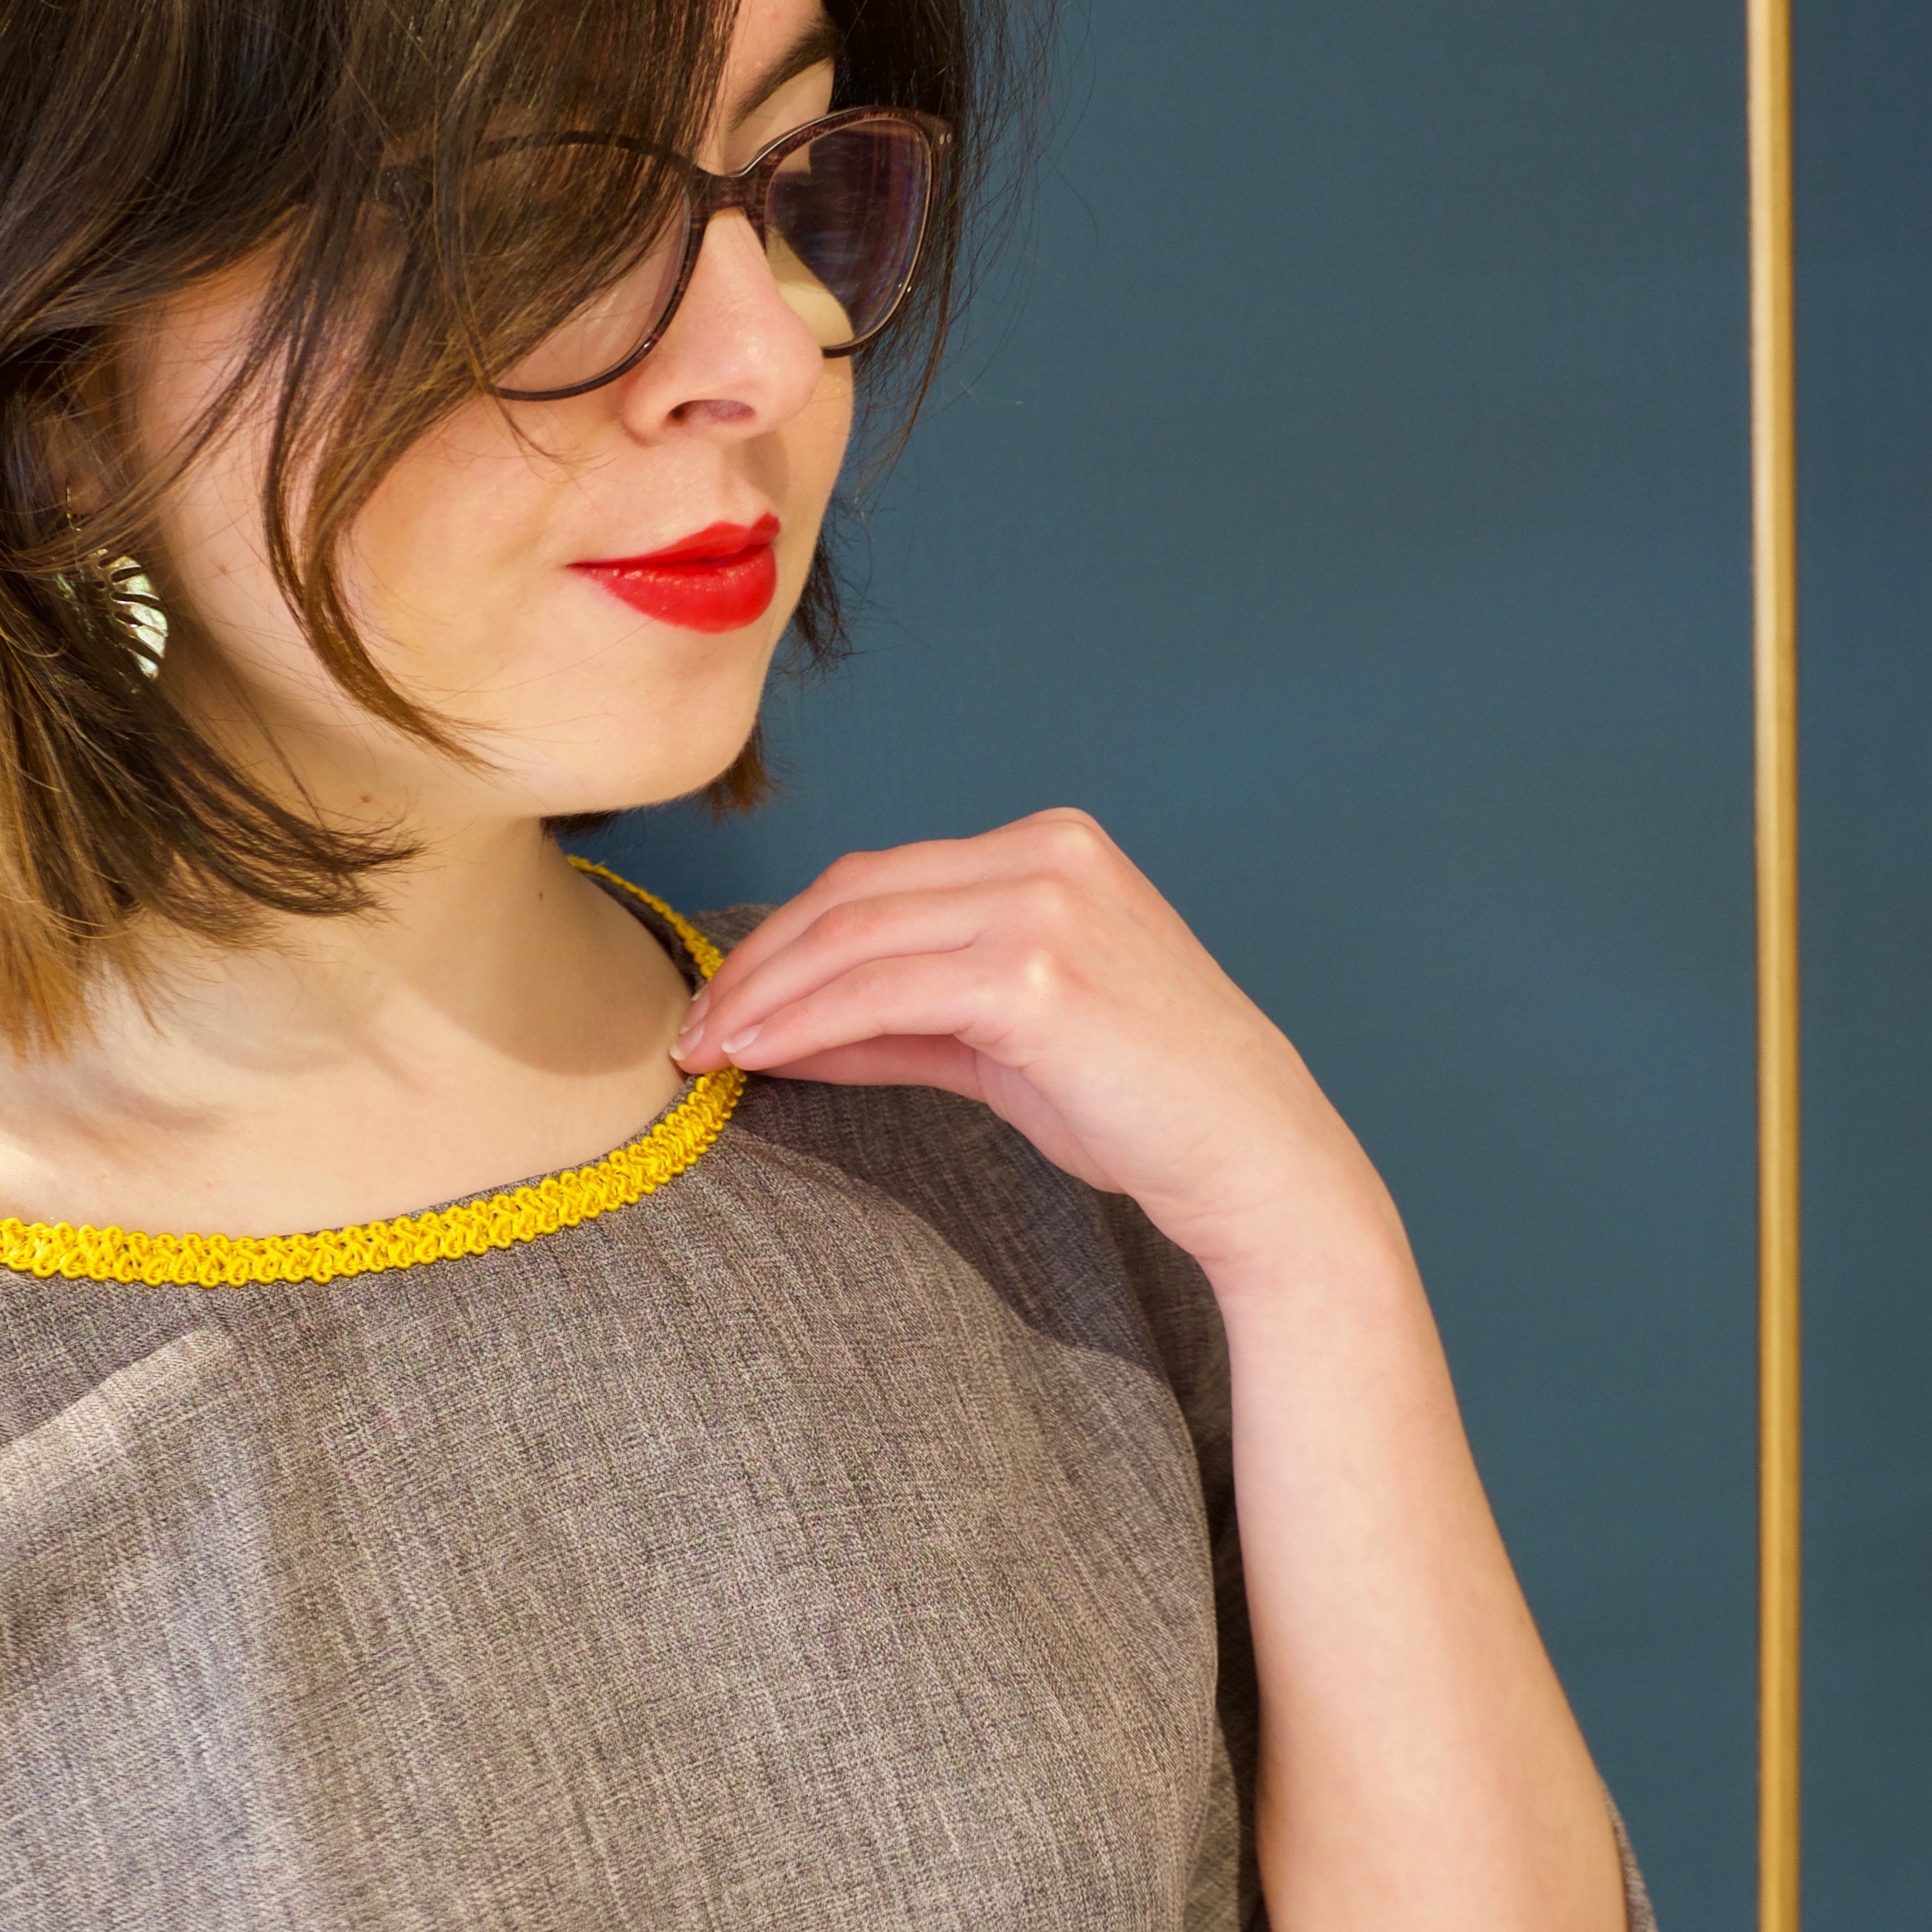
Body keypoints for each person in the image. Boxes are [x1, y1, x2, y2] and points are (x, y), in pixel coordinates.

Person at [0, 0, 1658, 1926]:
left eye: (798, 187)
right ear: (67, 369)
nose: (767, 351)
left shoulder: (1019, 1147)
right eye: (534, 214)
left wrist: (1315, 1259)